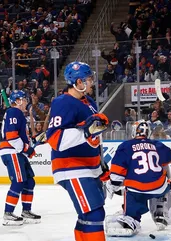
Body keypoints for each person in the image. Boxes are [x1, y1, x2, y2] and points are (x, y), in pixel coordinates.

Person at [45, 61, 110, 241]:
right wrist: (86, 130)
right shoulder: (63, 102)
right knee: (94, 214)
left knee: (88, 216)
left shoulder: (89, 102)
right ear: (78, 82)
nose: (92, 82)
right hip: (72, 167)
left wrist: (100, 164)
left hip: (89, 167)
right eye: (88, 79)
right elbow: (54, 139)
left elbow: (94, 138)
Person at [105, 120, 171, 237]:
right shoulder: (157, 144)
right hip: (159, 187)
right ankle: (160, 212)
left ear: (133, 132)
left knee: (131, 190)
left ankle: (132, 219)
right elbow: (170, 156)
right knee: (168, 183)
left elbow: (117, 176)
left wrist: (112, 186)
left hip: (136, 190)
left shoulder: (125, 146)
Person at [0, 90, 41, 226]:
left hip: (17, 151)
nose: (26, 101)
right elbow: (11, 136)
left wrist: (29, 145)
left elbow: (20, 137)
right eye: (23, 99)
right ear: (17, 101)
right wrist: (27, 149)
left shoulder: (18, 114)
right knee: (19, 181)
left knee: (29, 181)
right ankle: (8, 213)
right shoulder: (14, 112)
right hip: (11, 151)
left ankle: (26, 211)